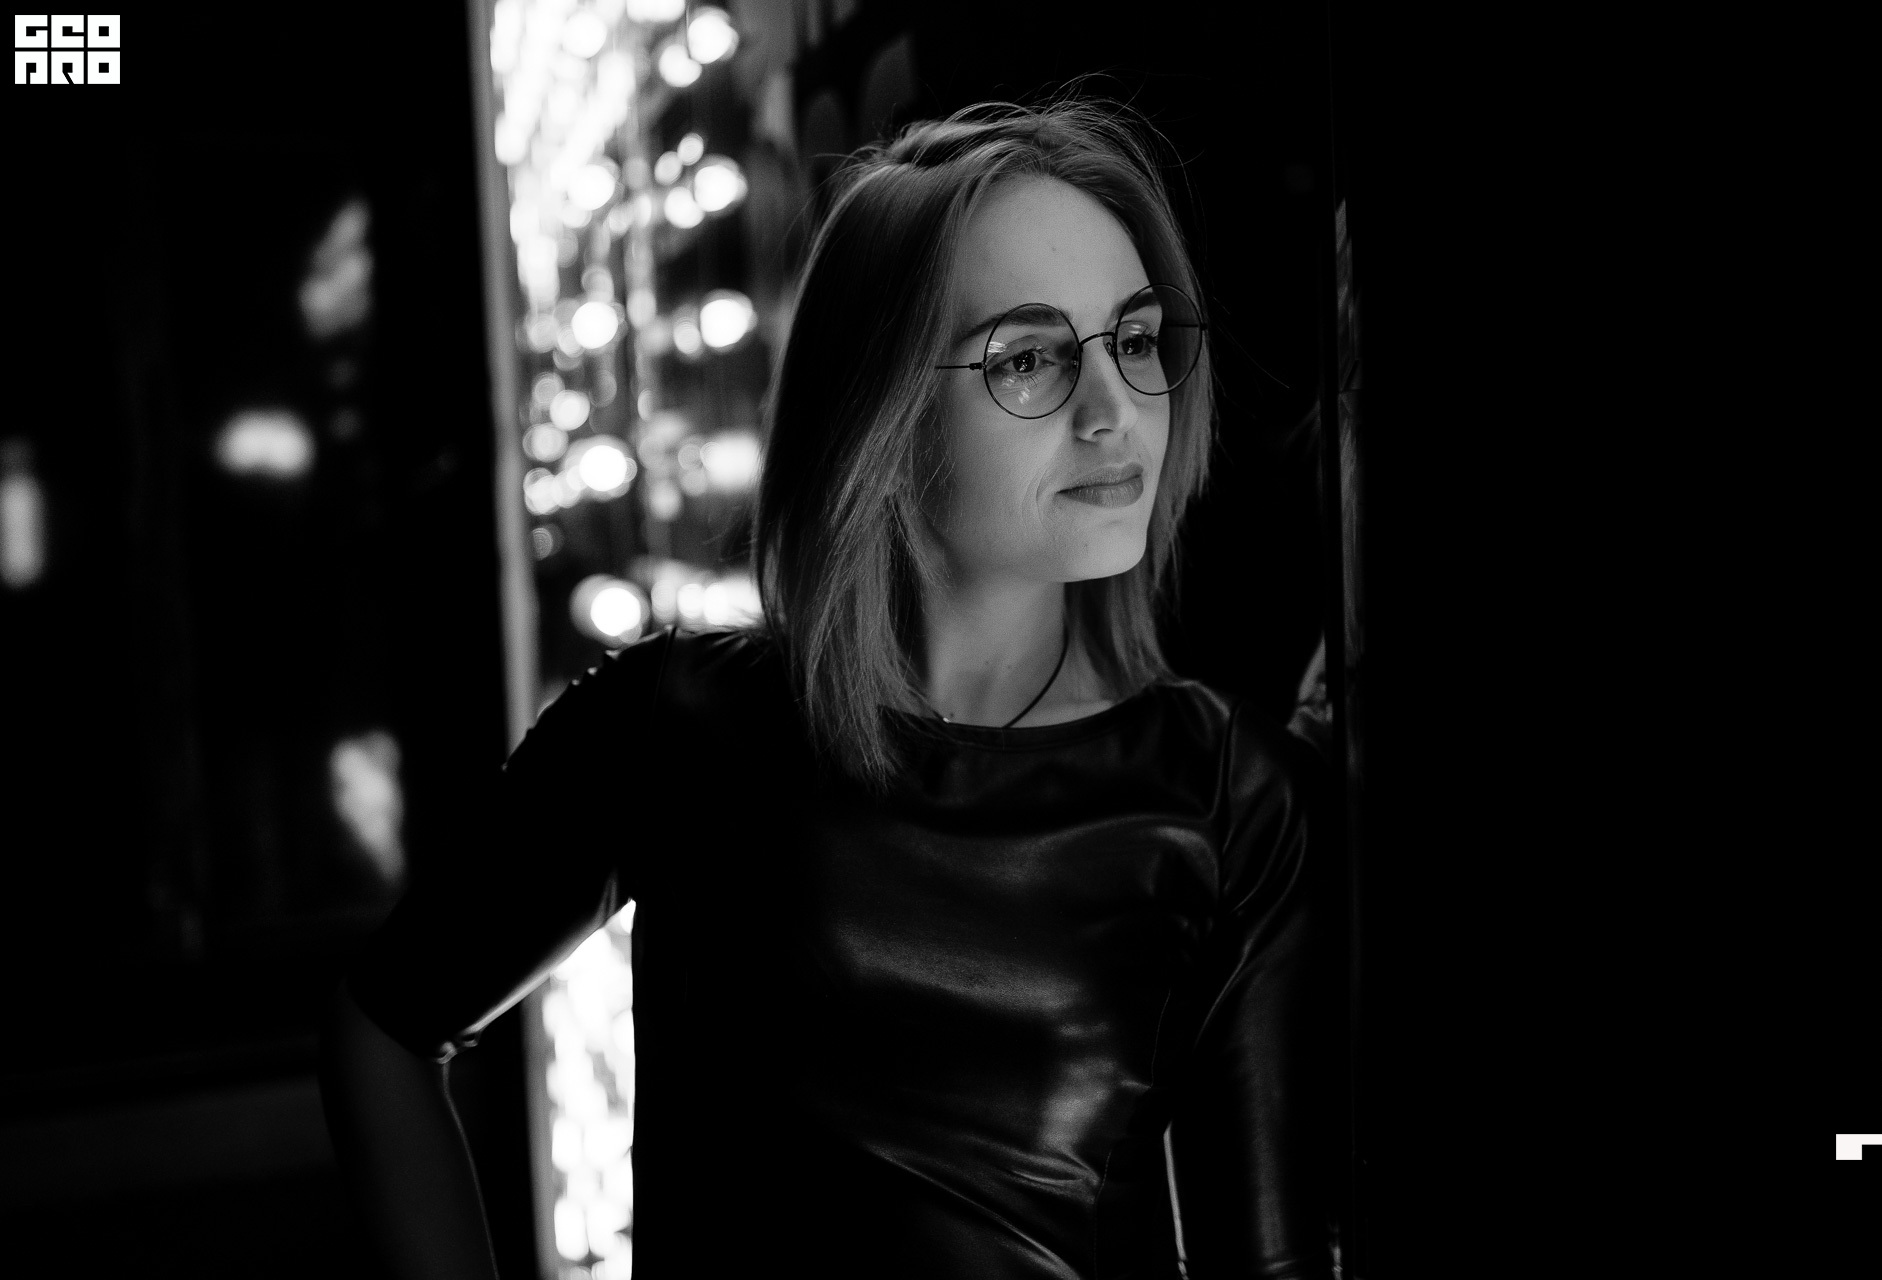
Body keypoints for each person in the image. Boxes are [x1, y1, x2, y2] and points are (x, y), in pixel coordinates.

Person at [321, 96, 1336, 1280]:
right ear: (882, 408)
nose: (1115, 412)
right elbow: (383, 1026)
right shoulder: (680, 722)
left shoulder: (1232, 797)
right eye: (1029, 358)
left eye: (1139, 340)